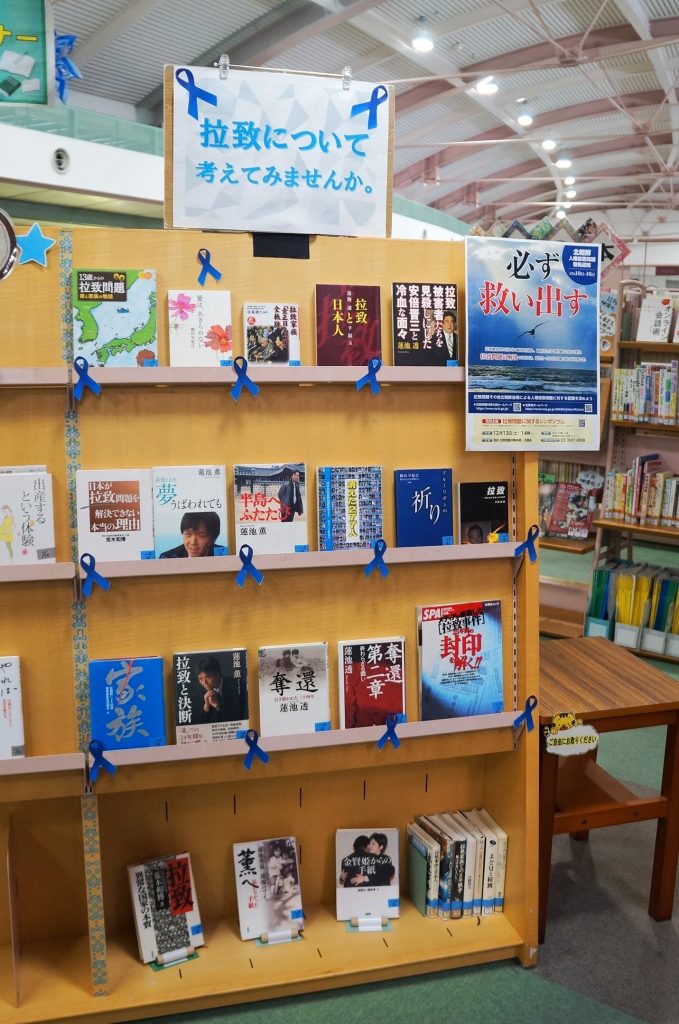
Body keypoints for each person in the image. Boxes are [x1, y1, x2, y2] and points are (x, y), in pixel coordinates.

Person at [194, 654, 242, 723]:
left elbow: (237, 718)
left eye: (208, 677)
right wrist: (206, 707)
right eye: (200, 679)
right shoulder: (200, 695)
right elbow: (199, 723)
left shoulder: (237, 686)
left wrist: (217, 705)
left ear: (218, 674)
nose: (204, 683)